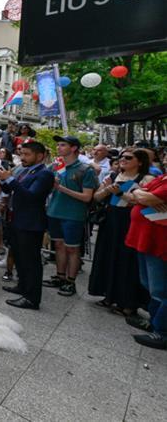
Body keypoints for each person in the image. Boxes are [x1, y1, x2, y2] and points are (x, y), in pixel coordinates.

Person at [89, 148, 153, 316]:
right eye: (121, 157)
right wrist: (107, 190)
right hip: (111, 221)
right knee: (108, 257)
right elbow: (96, 196)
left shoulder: (147, 179)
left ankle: (128, 302)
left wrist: (120, 193)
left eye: (128, 158)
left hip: (130, 223)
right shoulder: (113, 175)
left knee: (128, 262)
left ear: (140, 161)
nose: (123, 160)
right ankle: (109, 295)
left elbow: (142, 201)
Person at [0, 141, 54, 310]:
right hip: (17, 219)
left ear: (40, 156)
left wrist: (10, 179)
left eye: (27, 154)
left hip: (31, 222)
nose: (23, 157)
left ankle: (32, 298)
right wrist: (4, 179)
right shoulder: (24, 170)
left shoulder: (44, 174)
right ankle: (22, 286)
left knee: (31, 261)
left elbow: (31, 196)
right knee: (20, 257)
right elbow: (9, 190)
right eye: (21, 154)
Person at [43, 136, 98, 297]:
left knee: (72, 248)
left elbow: (87, 197)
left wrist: (61, 188)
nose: (58, 147)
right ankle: (60, 276)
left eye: (63, 145)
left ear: (73, 148)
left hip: (73, 215)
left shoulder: (85, 170)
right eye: (58, 145)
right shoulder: (55, 166)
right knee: (58, 246)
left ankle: (71, 281)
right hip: (54, 211)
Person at [123, 171, 167, 349]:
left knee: (160, 290)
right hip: (146, 240)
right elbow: (133, 196)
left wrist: (142, 195)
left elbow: (144, 197)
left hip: (159, 243)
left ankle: (162, 332)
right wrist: (140, 193)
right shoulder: (162, 178)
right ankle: (154, 322)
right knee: (149, 285)